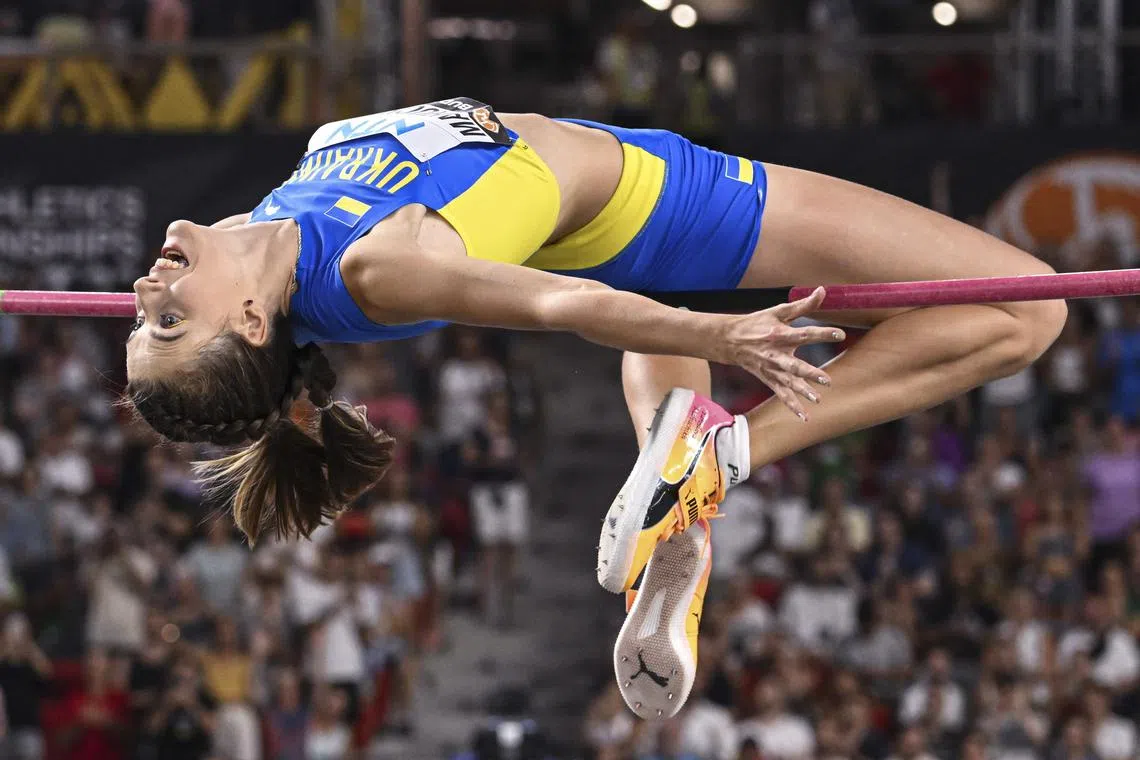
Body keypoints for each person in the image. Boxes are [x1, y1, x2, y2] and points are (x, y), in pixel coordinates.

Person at [122, 97, 1066, 719]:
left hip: (595, 227)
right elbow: (557, 304)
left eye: (139, 318)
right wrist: (716, 338)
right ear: (250, 321)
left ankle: (685, 530)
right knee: (1032, 307)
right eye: (168, 323)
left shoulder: (271, 226)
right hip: (662, 208)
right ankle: (728, 451)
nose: (144, 289)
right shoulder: (370, 268)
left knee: (668, 426)